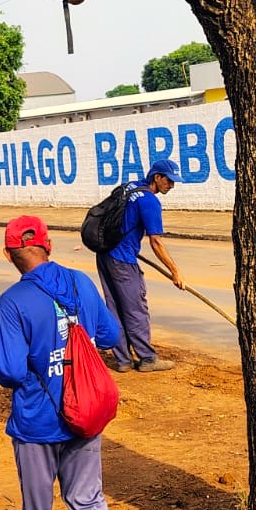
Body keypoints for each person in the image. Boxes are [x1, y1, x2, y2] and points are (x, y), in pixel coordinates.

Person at [0, 215, 148, 510]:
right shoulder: (80, 282)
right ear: (48, 245)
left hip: (36, 422)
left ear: (10, 256)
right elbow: (111, 336)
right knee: (87, 498)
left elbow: (8, 371)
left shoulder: (13, 302)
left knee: (38, 503)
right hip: (87, 412)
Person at [97, 158, 184, 373]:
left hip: (105, 254)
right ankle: (147, 359)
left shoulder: (131, 186)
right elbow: (155, 241)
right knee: (136, 310)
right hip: (123, 261)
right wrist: (175, 271)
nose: (171, 186)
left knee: (115, 307)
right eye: (169, 181)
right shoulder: (150, 201)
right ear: (157, 177)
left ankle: (123, 360)